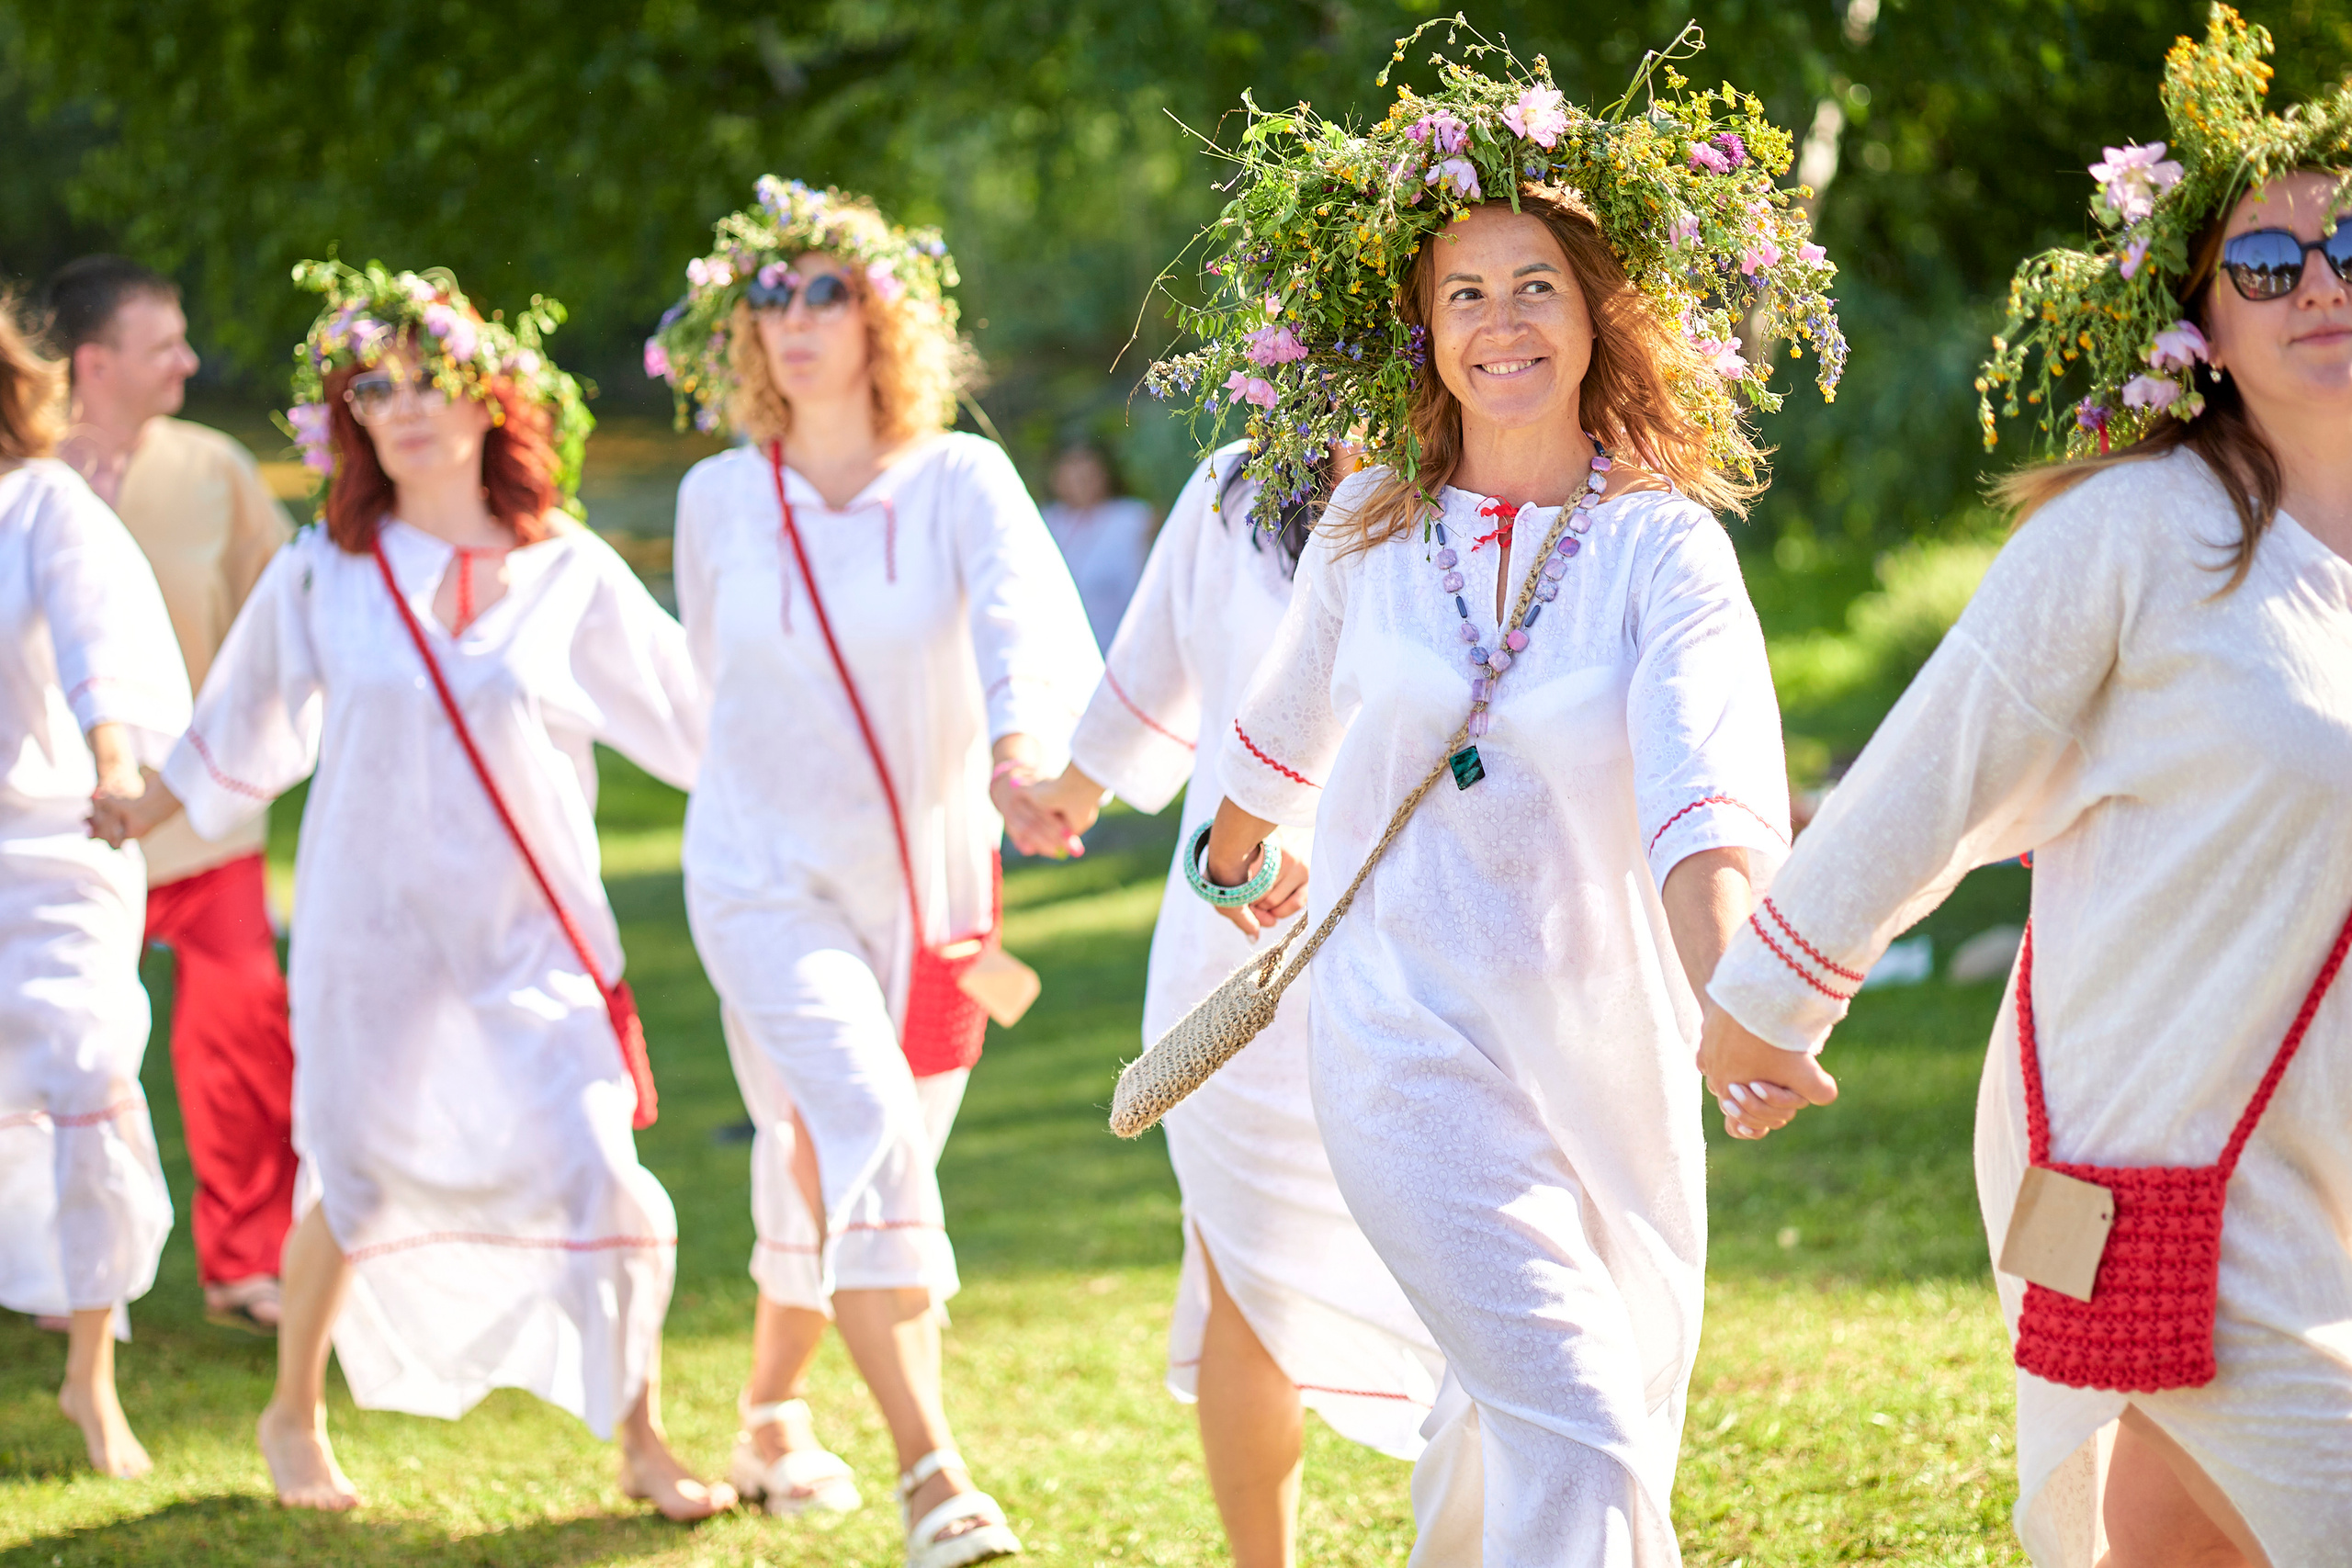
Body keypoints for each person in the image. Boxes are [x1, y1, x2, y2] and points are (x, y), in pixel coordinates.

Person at [1136, 35, 1843, 1563]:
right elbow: (1270, 745)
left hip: (1612, 1057)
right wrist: (1235, 865)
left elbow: (1706, 803)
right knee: (1580, 1419)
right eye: (1465, 291)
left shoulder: (1667, 550)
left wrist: (1740, 986)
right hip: (1397, 1045)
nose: (1502, 321)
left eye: (1537, 284)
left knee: (1538, 1412)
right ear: (1423, 328)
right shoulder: (1369, 526)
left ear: (1597, 314)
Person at [1701, 16, 2352, 1567]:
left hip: (2325, 1149)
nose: (2321, 287)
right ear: (2195, 315)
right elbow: (1934, 768)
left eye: (2349, 248)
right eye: (2267, 263)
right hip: (2162, 1154)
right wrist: (1768, 999)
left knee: (2182, 1536)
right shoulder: (2136, 534)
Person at [91, 262, 730, 1518]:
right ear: (353, 422)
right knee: (360, 1167)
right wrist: (138, 808)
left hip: (530, 924)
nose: (406, 406)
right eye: (374, 390)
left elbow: (698, 718)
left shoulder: (567, 569)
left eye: (429, 378)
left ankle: (645, 1437)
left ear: (489, 396)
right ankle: (293, 1410)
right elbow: (240, 721)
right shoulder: (329, 568)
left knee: (601, 1163)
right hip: (370, 926)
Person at [648, 178, 1098, 1565]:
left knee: (831, 1150)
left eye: (822, 289)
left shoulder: (962, 477)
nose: (788, 317)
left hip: (933, 897)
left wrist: (1024, 755)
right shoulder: (718, 495)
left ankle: (771, 1409)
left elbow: (1026, 624)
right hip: (758, 876)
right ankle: (934, 1476)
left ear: (884, 311)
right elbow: (712, 686)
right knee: (863, 1122)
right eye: (766, 293)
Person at [1018, 441, 1454, 1568]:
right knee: (1247, 1274)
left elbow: (1141, 683)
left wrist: (1063, 796)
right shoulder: (1243, 484)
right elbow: (1149, 672)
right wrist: (1058, 798)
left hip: (1422, 945)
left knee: (1450, 1261)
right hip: (1251, 947)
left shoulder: (1486, 469)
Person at [49, 254, 298, 1334]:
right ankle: (61, 1272)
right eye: (165, 346)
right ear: (93, 364)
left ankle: (248, 1265)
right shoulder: (21, 480)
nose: (190, 362)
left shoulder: (216, 469)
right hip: (54, 828)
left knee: (242, 1029)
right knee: (61, 1052)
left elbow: (282, 621)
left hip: (200, 821)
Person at [0, 292, 191, 1476]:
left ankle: (90, 1380)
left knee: (84, 1075)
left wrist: (116, 767)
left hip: (56, 844)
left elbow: (98, 645)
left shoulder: (41, 502)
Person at [1041, 441, 1155, 650]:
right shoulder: (1045, 523)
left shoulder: (1134, 518)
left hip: (1123, 648)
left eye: (1088, 470)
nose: (1080, 479)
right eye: (1071, 469)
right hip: (1062, 652)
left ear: (1105, 473)